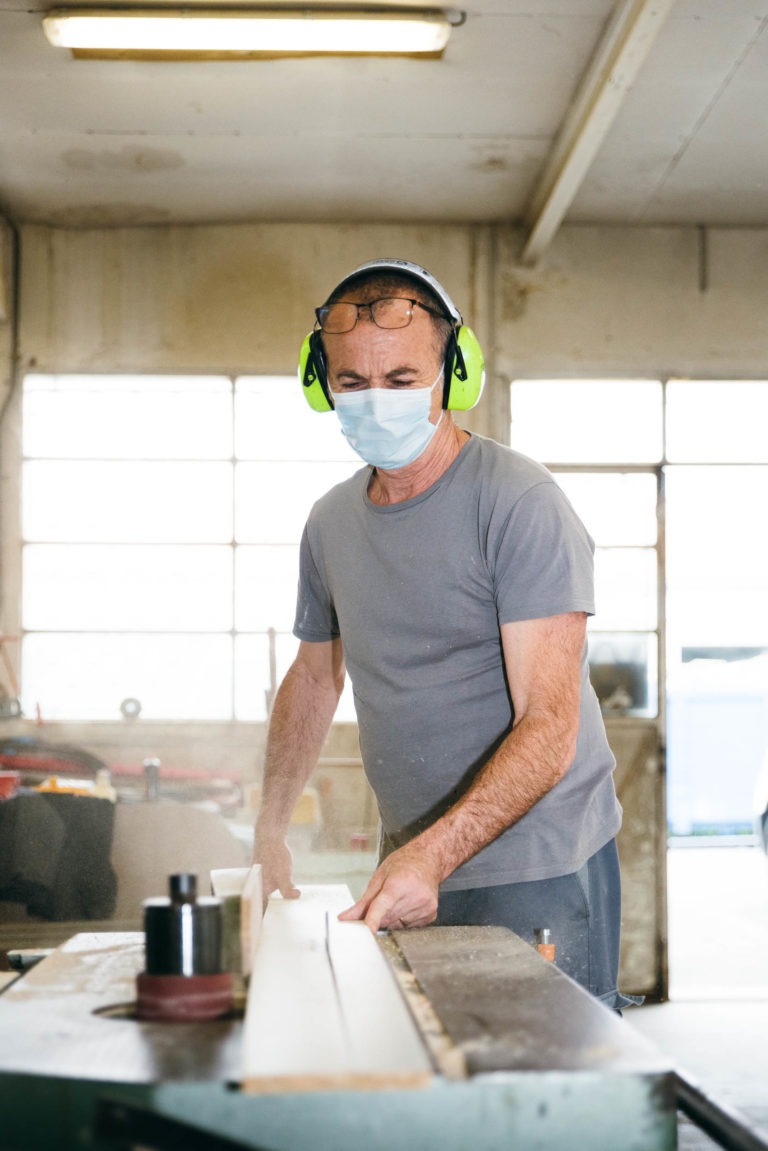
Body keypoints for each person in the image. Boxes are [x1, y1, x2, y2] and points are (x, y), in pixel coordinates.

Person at [253, 258, 625, 1006]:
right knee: (438, 1084)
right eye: (353, 382)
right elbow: (315, 677)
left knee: (542, 1097)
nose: (375, 401)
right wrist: (269, 824)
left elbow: (550, 725)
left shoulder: (519, 503)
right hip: (413, 859)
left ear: (454, 374)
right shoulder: (330, 522)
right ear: (320, 383)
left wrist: (434, 855)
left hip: (537, 863)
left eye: (400, 379)